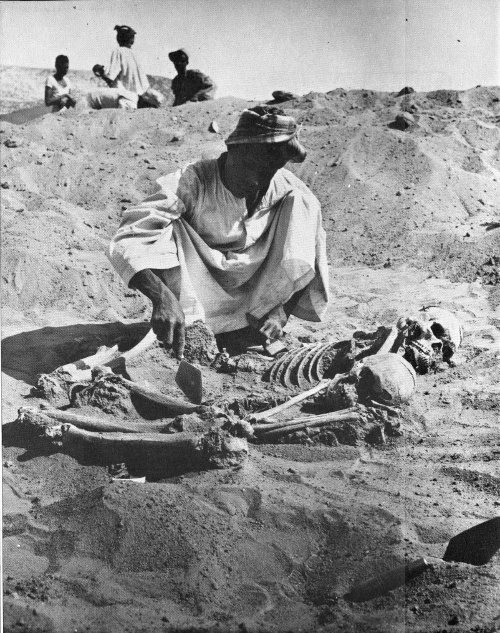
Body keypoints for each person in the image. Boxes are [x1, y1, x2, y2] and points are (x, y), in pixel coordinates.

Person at [108, 106, 329, 357]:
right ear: (232, 150)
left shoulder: (288, 190)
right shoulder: (193, 181)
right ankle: (189, 322)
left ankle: (254, 323)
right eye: (250, 166)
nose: (256, 180)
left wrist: (281, 313)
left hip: (254, 293)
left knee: (304, 206)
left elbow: (309, 253)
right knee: (167, 226)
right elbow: (129, 236)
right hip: (198, 286)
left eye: (268, 171)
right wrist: (161, 297)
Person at [89, 25, 149, 110]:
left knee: (91, 98)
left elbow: (111, 77)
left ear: (119, 38)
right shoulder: (134, 54)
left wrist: (101, 73)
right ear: (132, 40)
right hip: (140, 99)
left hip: (126, 98)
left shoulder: (118, 51)